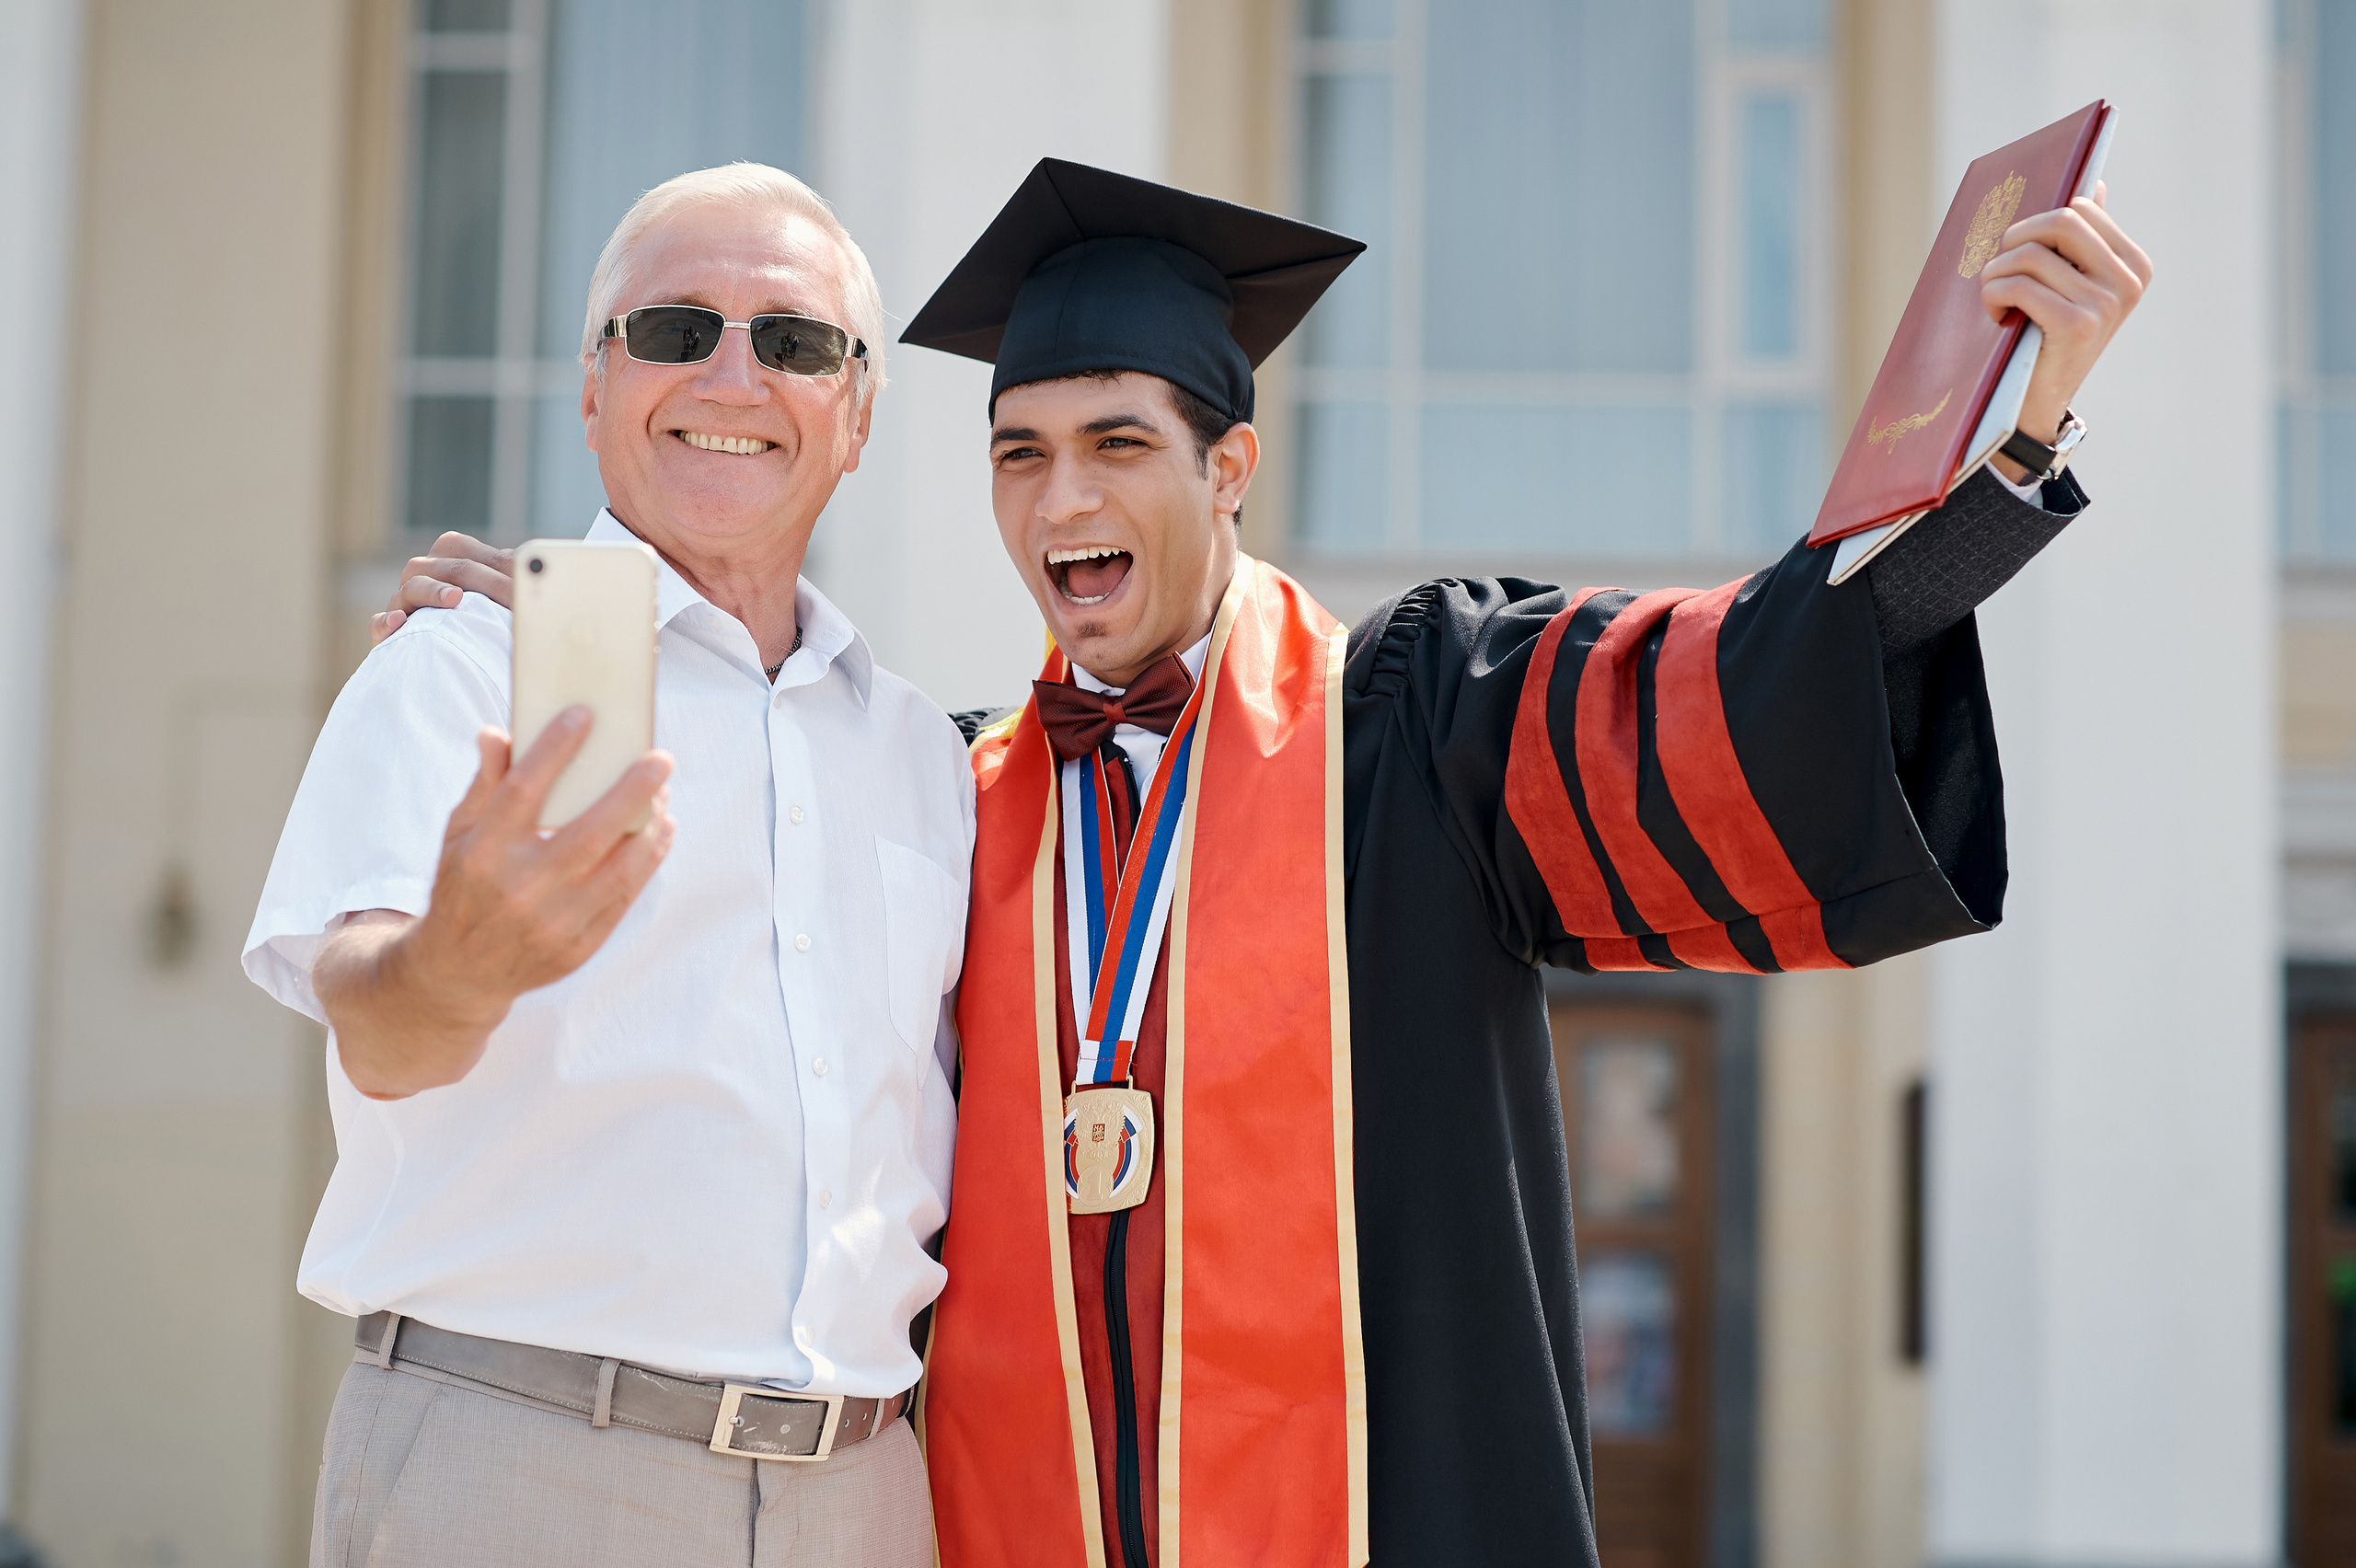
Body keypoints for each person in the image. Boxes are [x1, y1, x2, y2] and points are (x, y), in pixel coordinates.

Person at [389, 160, 2149, 1565]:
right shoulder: (943, 802)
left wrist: (2003, 466)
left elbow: (1728, 696)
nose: (1062, 502)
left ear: (1231, 465)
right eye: (1021, 455)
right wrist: (537, 621)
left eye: (1118, 447)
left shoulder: (1417, 731)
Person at [246, 164, 972, 1567]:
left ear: (860, 415)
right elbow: (379, 1023)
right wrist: (453, 965)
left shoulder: (924, 758)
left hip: (866, 1494)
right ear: (594, 387)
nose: (735, 373)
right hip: (523, 1473)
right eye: (675, 329)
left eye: (799, 341)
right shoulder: (465, 668)